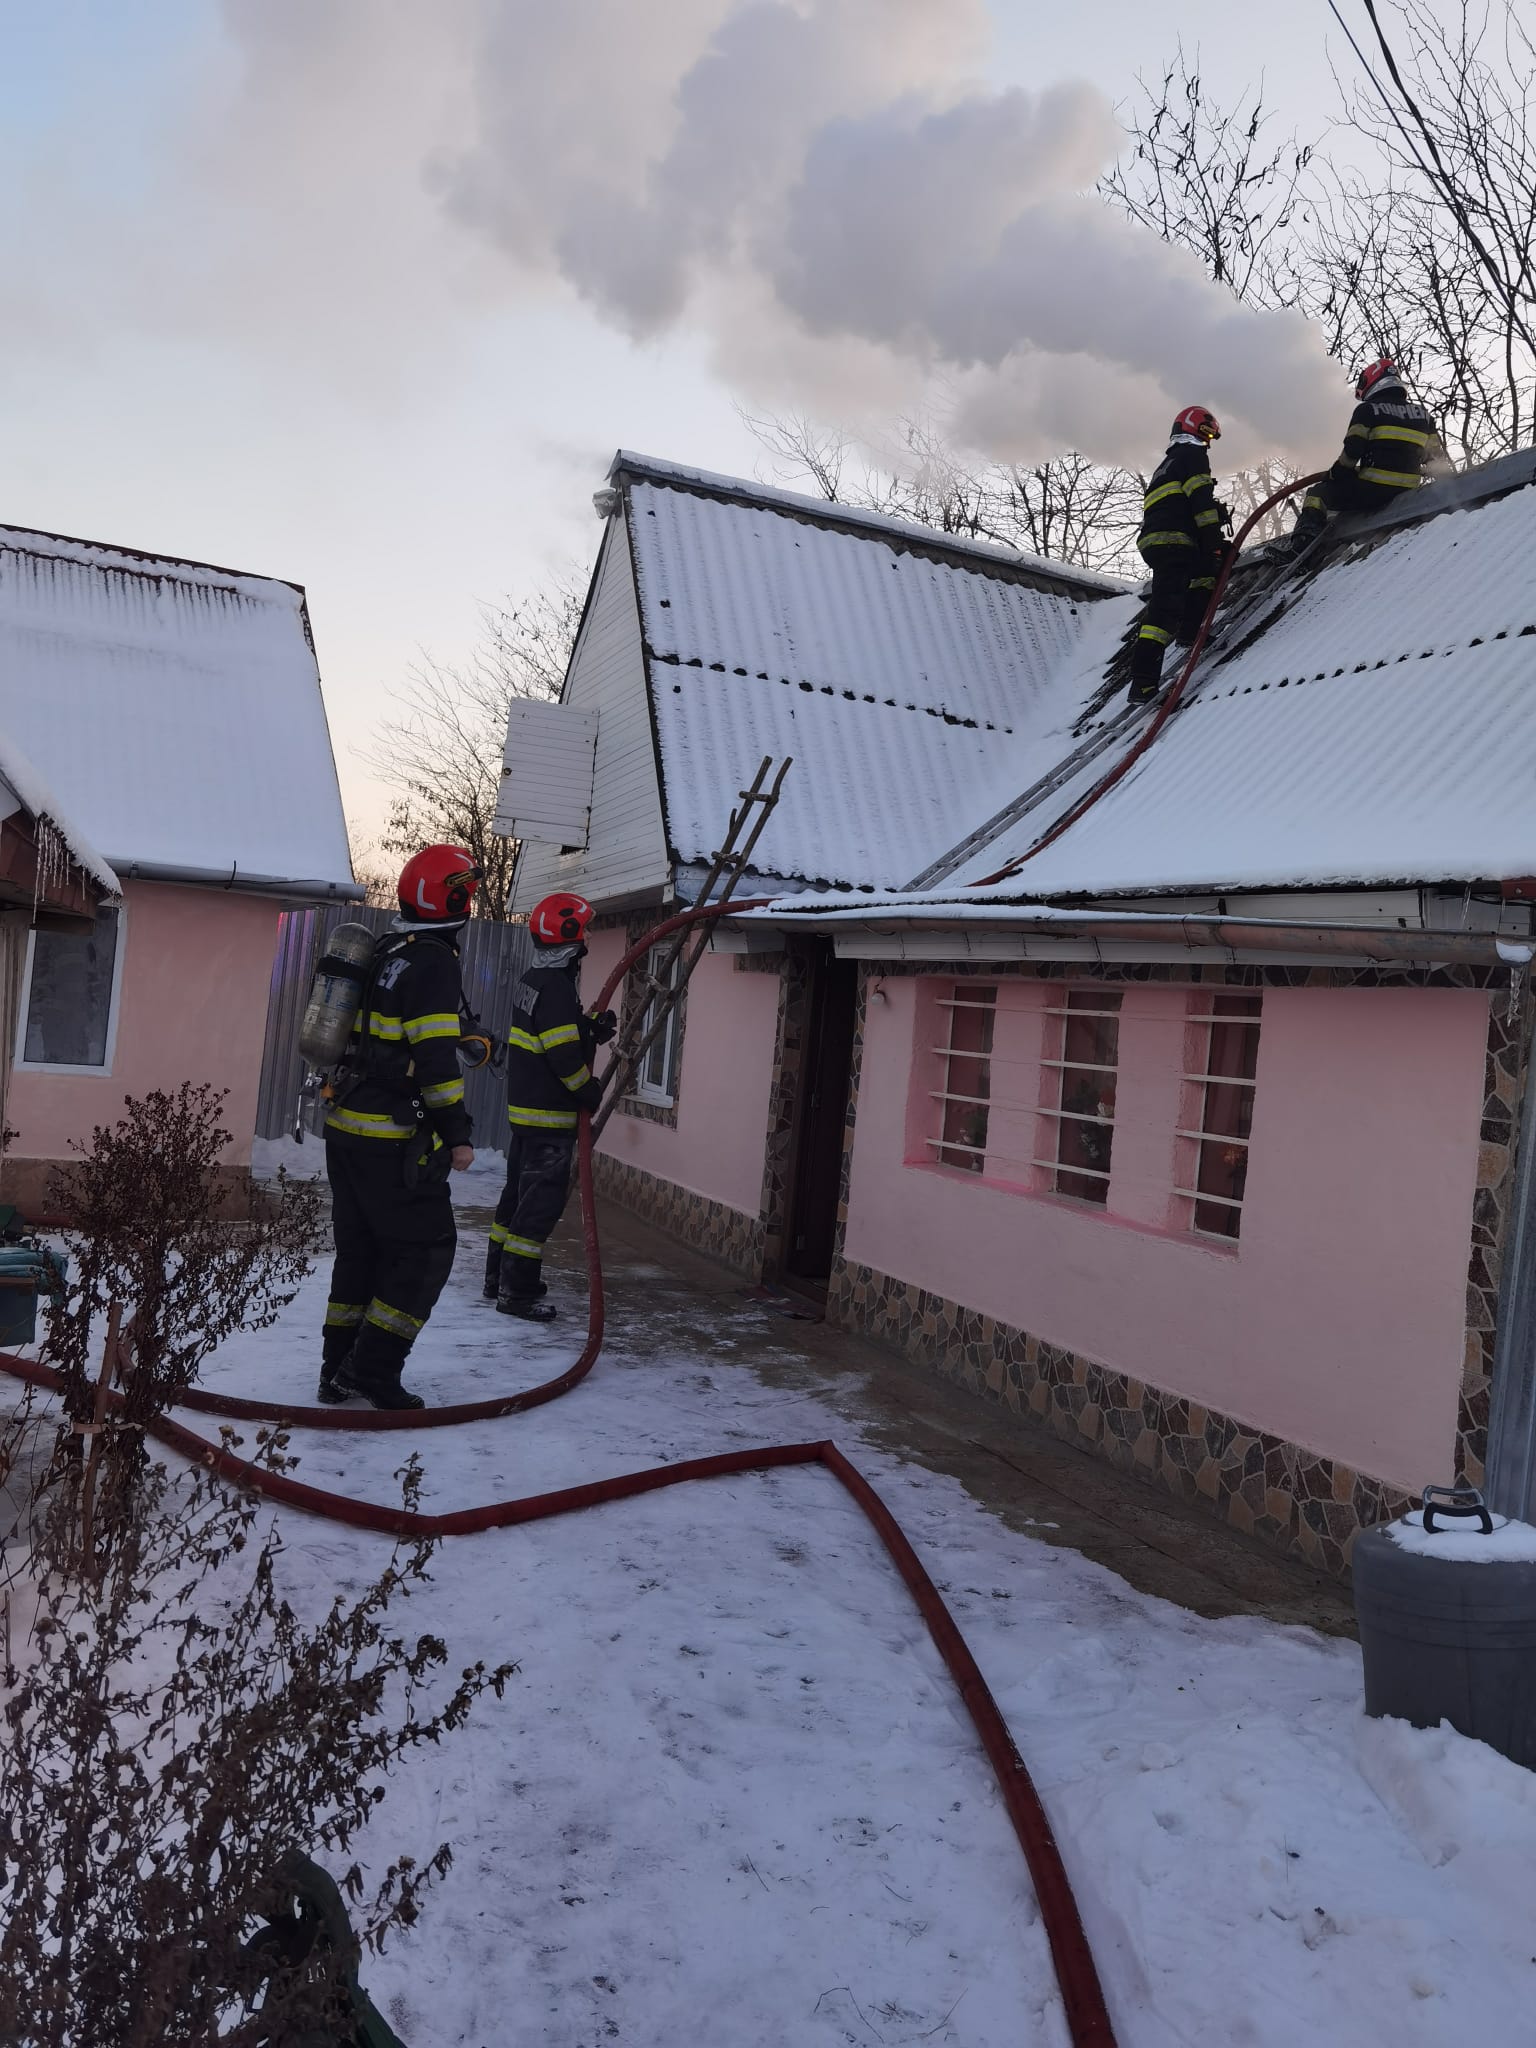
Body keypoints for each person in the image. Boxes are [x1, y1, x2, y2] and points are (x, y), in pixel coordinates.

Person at [318, 845, 481, 1410]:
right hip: (391, 1139)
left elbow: (389, 1037)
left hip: (346, 1127)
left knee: (360, 1251)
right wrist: (457, 1134)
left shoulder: (389, 949)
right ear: (452, 897)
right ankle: (374, 1371)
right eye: (466, 889)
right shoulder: (434, 960)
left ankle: (335, 1371)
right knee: (424, 1251)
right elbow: (434, 1062)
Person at [487, 891, 617, 1320]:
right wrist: (588, 1090)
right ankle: (517, 1293)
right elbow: (562, 1059)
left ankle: (497, 1279)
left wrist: (588, 1031)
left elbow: (553, 1034)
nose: (587, 943)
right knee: (538, 1208)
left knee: (514, 1202)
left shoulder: (533, 980)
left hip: (526, 1115)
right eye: (584, 935)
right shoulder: (558, 988)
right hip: (549, 1118)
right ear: (570, 941)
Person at [1127, 406, 1227, 706]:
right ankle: (1142, 685)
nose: (1208, 441)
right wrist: (1213, 538)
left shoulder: (1168, 463)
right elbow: (1200, 501)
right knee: (1163, 610)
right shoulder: (1194, 456)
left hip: (1159, 541)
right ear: (1191, 428)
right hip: (1174, 541)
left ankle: (1189, 632)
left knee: (1205, 571)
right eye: (1206, 433)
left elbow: (1175, 502)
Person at [1286, 359, 1438, 554]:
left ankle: (1301, 547)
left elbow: (1353, 451)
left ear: (1372, 381)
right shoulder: (1423, 414)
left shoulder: (1367, 410)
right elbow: (1435, 458)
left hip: (1372, 491)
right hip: (1408, 490)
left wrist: (1335, 474)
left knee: (1318, 494)